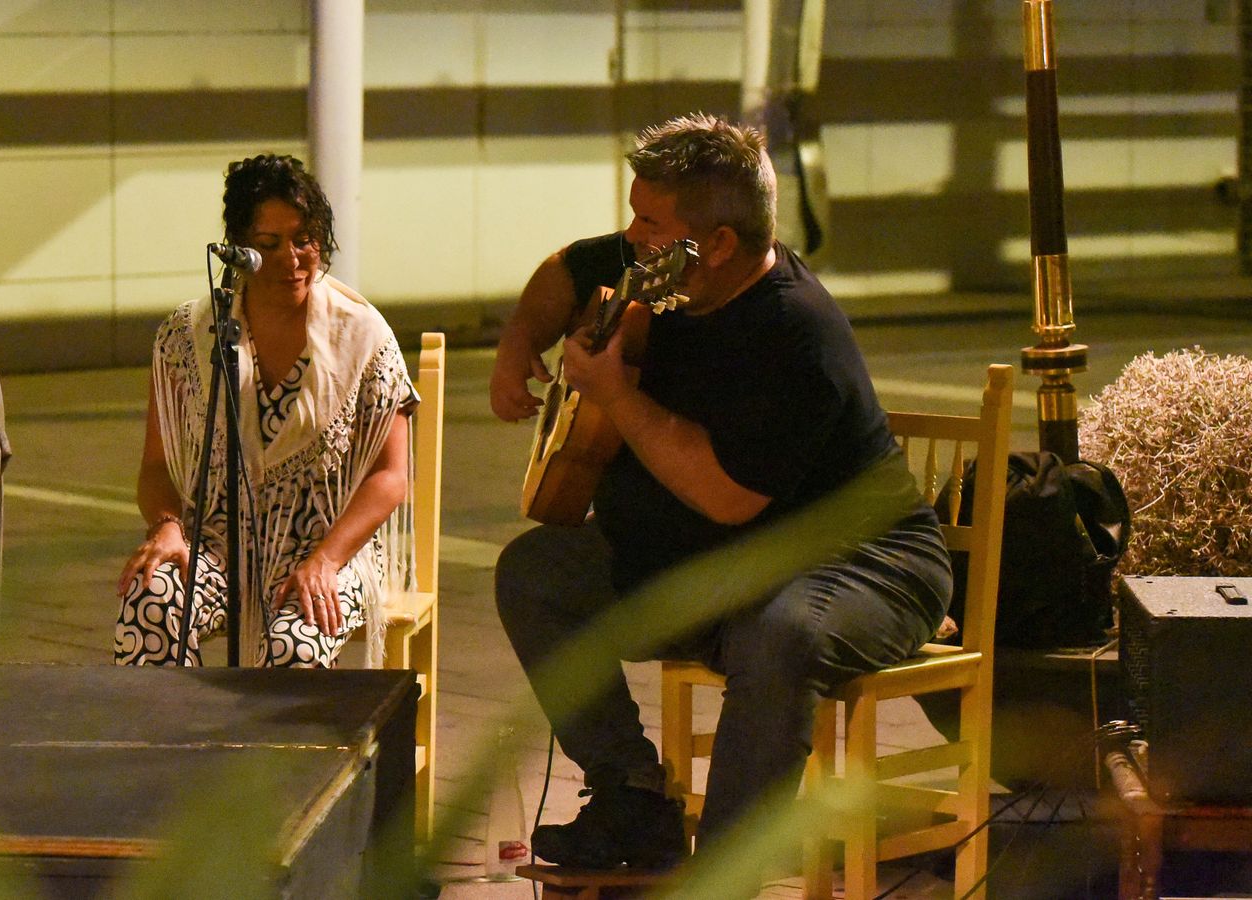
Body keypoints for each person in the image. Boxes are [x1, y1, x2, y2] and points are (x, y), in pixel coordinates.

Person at [491, 113, 952, 871]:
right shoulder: (659, 264)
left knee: (779, 635)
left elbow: (728, 496)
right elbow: (566, 271)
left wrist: (616, 396)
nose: (630, 234)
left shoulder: (796, 335)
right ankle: (632, 799)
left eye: (648, 221)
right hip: (724, 565)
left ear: (719, 245)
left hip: (864, 565)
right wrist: (517, 346)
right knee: (536, 574)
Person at [115, 154, 416, 669]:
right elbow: (155, 466)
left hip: (328, 545)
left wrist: (326, 560)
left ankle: (273, 753)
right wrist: (167, 526)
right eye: (268, 245)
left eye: (305, 239)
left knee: (293, 644)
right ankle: (170, 748)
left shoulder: (363, 334)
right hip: (216, 543)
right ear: (238, 251)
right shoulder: (188, 336)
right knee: (151, 596)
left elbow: (391, 476)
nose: (292, 259)